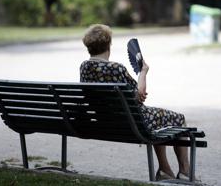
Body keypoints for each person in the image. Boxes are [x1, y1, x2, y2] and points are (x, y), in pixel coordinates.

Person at [80, 24, 190, 181]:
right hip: (131, 122)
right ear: (108, 45)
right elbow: (140, 96)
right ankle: (185, 171)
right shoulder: (116, 69)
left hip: (104, 121)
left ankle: (165, 170)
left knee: (157, 118)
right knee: (178, 118)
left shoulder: (84, 67)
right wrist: (143, 73)